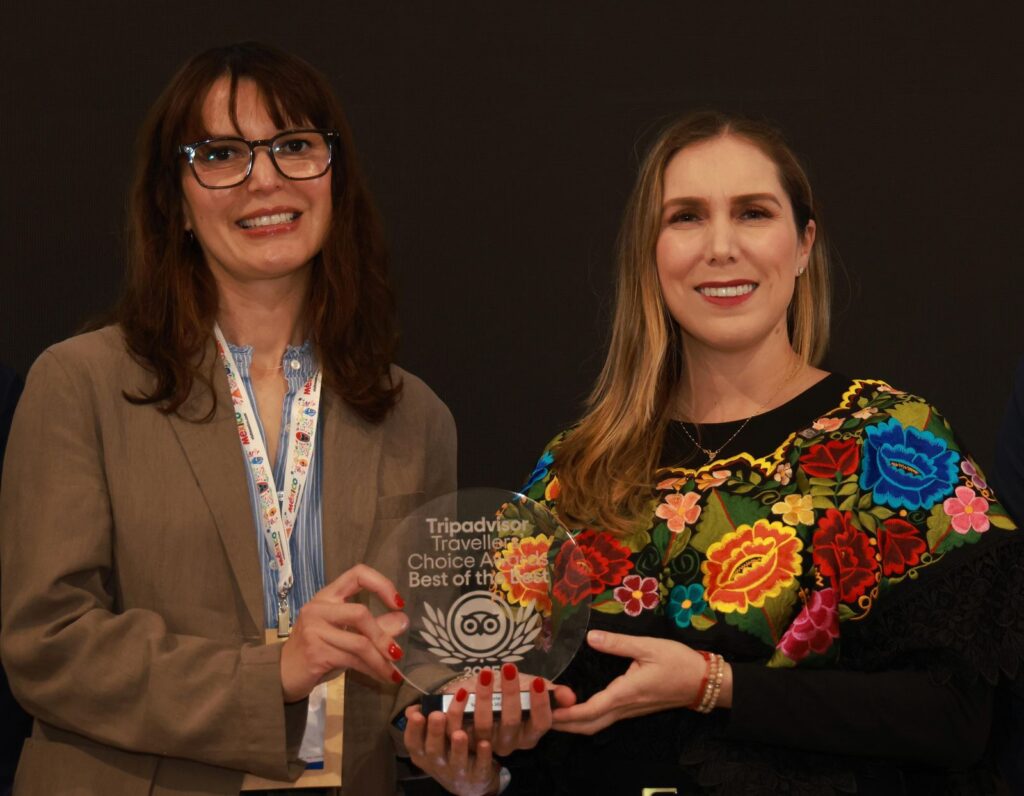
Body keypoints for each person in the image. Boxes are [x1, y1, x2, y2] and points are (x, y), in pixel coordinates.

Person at [404, 111, 1024, 794]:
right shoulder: (574, 469)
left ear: (804, 245)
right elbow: (516, 710)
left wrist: (714, 687)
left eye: (753, 213)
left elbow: (959, 719)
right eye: (687, 217)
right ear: (650, 252)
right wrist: (483, 762)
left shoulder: (893, 441)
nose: (721, 247)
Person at [0, 42, 455, 796]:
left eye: (295, 146)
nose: (265, 178)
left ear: (334, 177)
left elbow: (417, 658)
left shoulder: (419, 417)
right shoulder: (78, 384)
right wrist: (270, 673)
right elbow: (48, 645)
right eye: (221, 153)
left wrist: (456, 725)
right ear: (174, 200)